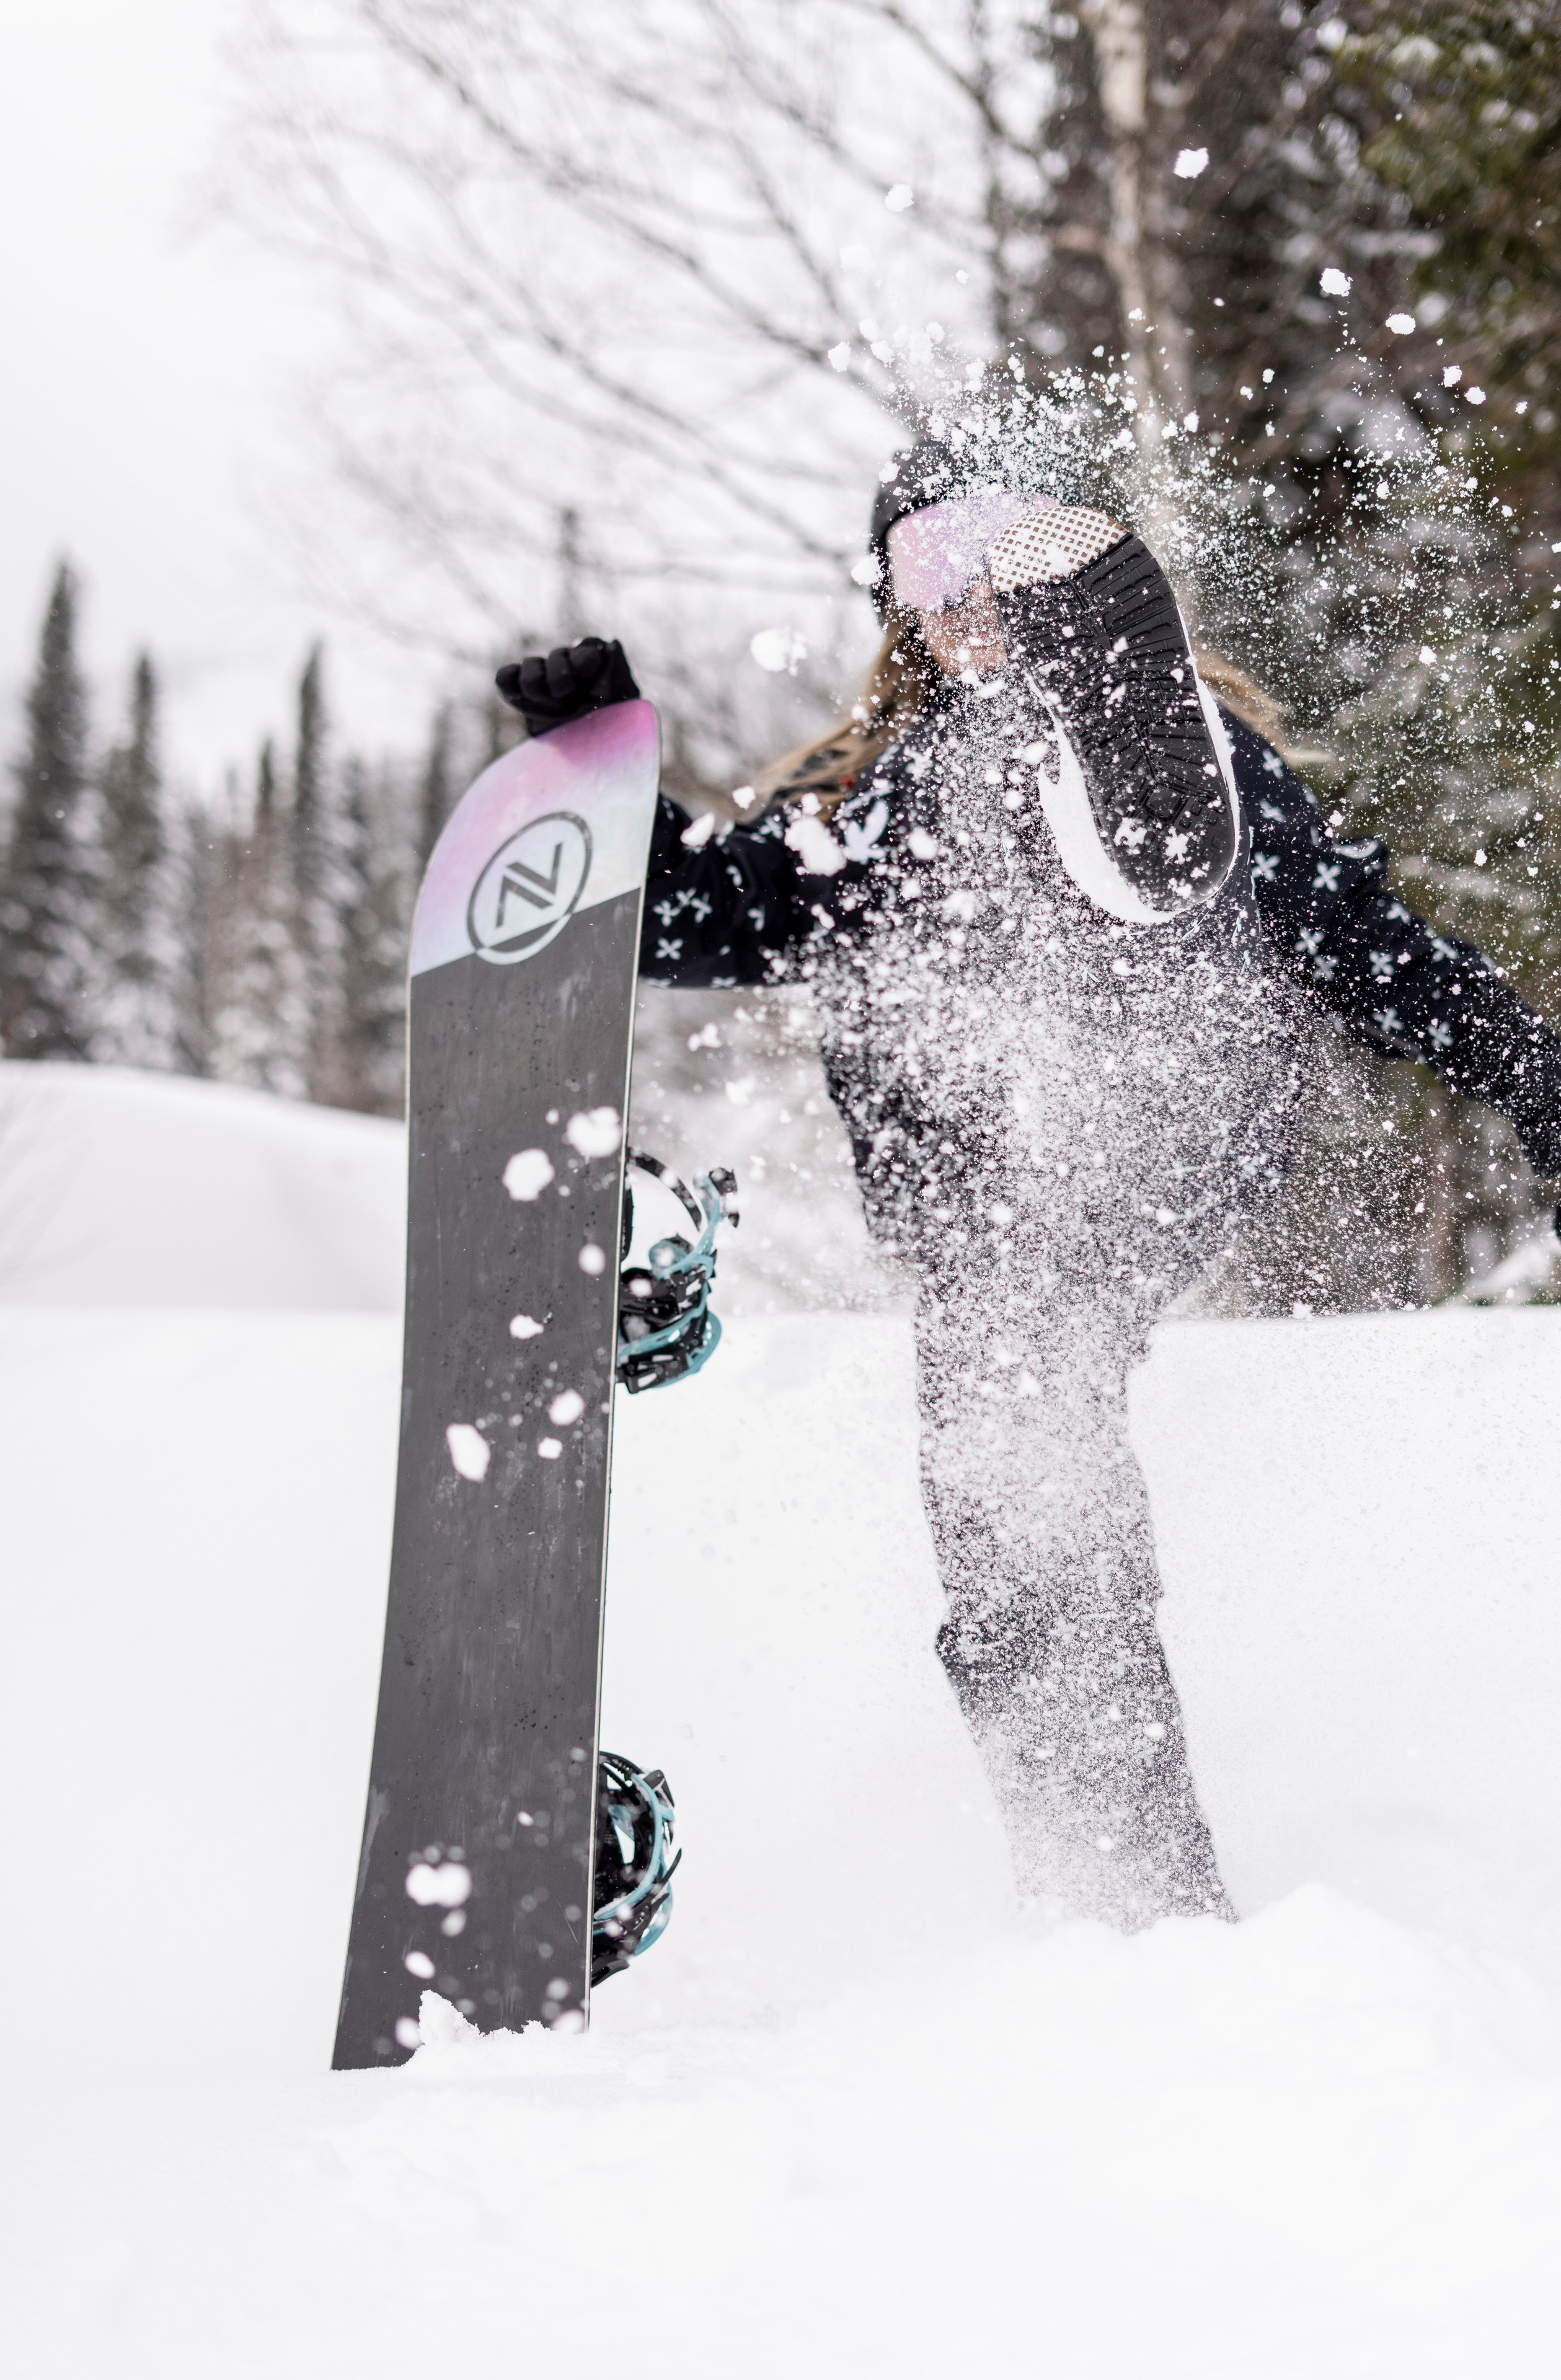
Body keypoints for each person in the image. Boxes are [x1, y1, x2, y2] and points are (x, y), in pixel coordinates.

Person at [497, 439, 1561, 1929]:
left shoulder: (1222, 761)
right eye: (932, 564)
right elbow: (694, 921)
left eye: (1012, 551)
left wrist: (1526, 1073)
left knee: (1018, 1394)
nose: (971, 589)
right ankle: (1109, 1885)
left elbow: (1366, 948)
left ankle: (1114, 774)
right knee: (1006, 1515)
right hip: (976, 1210)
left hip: (1162, 1128)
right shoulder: (860, 808)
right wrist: (598, 771)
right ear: (898, 609)